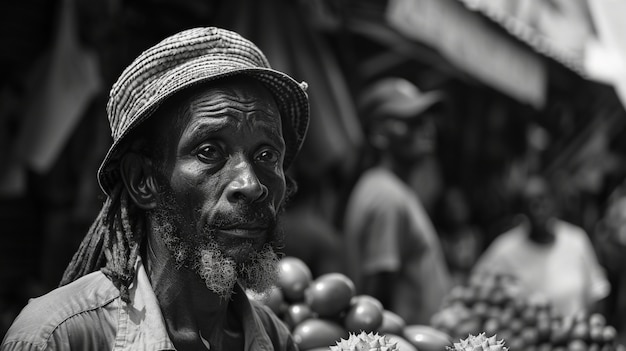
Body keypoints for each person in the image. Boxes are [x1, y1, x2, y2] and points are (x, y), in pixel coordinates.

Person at [1, 27, 309, 350]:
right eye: (209, 152)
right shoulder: (57, 337)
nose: (251, 184)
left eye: (266, 155)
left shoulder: (275, 340)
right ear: (142, 181)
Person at [343, 77, 452, 325]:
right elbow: (375, 303)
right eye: (410, 120)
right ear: (378, 134)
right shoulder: (386, 197)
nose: (426, 127)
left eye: (426, 118)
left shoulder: (390, 188)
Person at [473, 175, 610, 317]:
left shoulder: (576, 239)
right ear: (521, 211)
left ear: (554, 202)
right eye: (531, 204)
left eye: (543, 200)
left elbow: (598, 290)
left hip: (576, 334)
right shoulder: (505, 248)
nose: (538, 210)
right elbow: (476, 285)